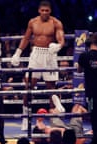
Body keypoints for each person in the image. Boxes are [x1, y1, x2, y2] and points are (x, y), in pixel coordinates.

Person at [11, 0, 65, 130]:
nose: (45, 13)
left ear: (50, 11)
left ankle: (53, 119)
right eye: (43, 10)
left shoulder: (56, 23)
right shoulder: (33, 22)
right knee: (29, 86)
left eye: (47, 11)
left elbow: (61, 39)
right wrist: (17, 53)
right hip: (36, 54)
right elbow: (26, 38)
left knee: (51, 87)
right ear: (39, 10)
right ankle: (25, 118)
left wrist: (58, 46)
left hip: (50, 54)